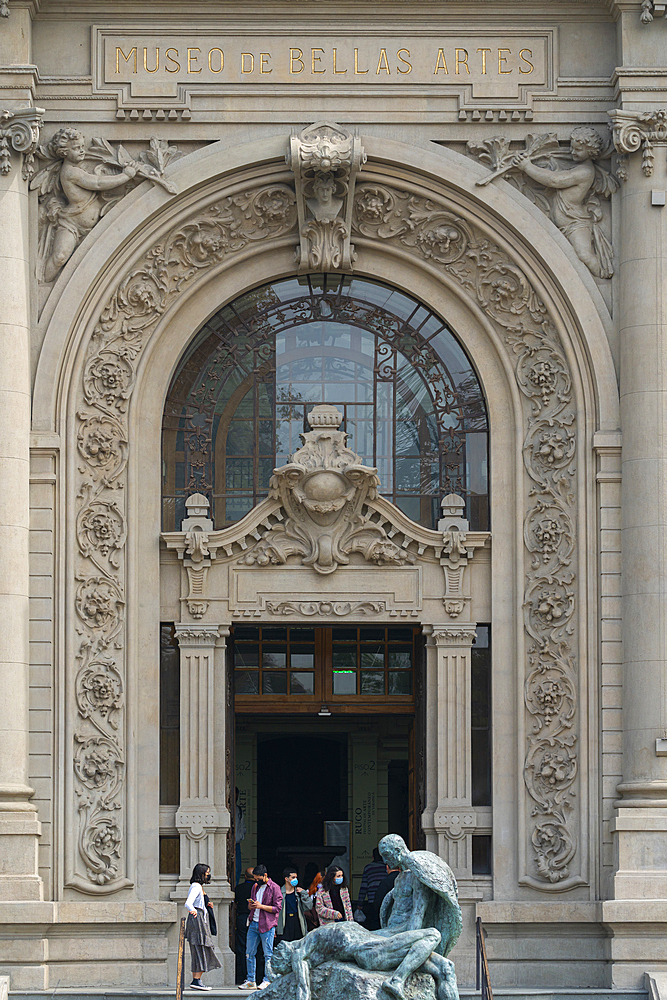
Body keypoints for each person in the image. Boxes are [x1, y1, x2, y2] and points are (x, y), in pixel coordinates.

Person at [241, 864, 282, 990]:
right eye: (255, 878)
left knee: (267, 954)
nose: (256, 881)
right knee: (249, 952)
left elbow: (277, 908)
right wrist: (252, 906)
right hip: (254, 921)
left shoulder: (274, 888)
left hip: (267, 924)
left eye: (258, 878)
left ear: (265, 876)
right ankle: (251, 980)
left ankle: (267, 979)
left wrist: (261, 906)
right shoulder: (255, 886)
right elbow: (252, 905)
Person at [185, 863, 222, 991]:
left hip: (199, 918)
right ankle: (197, 980)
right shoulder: (196, 886)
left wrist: (206, 904)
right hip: (198, 920)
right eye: (207, 872)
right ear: (201, 874)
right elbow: (188, 902)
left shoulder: (198, 887)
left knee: (199, 949)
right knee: (202, 948)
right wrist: (193, 910)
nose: (208, 875)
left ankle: (196, 980)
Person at [234, 867, 264, 985]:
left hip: (243, 918)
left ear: (245, 876)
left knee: (243, 947)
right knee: (259, 948)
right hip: (256, 918)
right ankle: (259, 976)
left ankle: (243, 974)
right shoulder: (258, 888)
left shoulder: (239, 888)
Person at [276, 868, 314, 941]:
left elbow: (308, 906)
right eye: (293, 877)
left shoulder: (299, 893)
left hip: (297, 921)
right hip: (284, 922)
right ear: (286, 879)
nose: (295, 879)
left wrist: (304, 893)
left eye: (296, 877)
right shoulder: (279, 893)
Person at [357, 847, 388, 930]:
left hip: (372, 900)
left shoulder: (368, 868)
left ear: (372, 857)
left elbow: (364, 886)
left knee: (374, 923)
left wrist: (360, 903)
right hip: (386, 898)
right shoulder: (387, 867)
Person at [235, 787, 247, 887]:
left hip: (236, 843)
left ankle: (235, 887)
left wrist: (240, 836)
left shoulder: (238, 809)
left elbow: (242, 826)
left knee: (237, 868)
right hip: (226, 843)